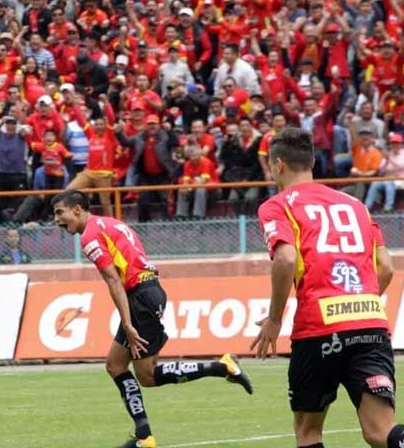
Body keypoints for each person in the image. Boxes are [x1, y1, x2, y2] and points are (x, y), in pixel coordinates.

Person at [51, 190, 252, 448]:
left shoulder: (89, 236)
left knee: (147, 376)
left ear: (77, 209)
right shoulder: (112, 223)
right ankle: (144, 435)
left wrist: (127, 323)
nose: (57, 219)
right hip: (150, 291)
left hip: (140, 298)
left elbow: (113, 280)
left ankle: (220, 368)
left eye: (60, 212)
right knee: (115, 365)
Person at [252, 127, 400, 448]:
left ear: (278, 165)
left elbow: (286, 260)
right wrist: (362, 302)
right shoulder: (355, 204)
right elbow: (386, 267)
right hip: (370, 324)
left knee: (308, 431)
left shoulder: (277, 206)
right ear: (313, 162)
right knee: (380, 431)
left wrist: (275, 318)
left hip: (318, 328)